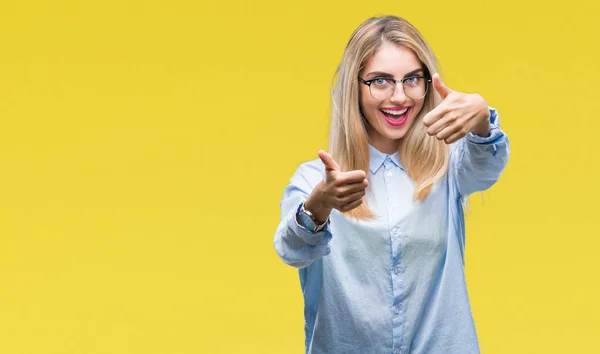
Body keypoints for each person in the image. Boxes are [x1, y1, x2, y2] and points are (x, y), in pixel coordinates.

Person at [273, 15, 510, 354]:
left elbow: (486, 167)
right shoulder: (316, 179)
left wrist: (483, 122)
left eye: (412, 79)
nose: (399, 96)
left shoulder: (448, 164)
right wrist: (318, 208)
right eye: (381, 81)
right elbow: (291, 251)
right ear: (355, 86)